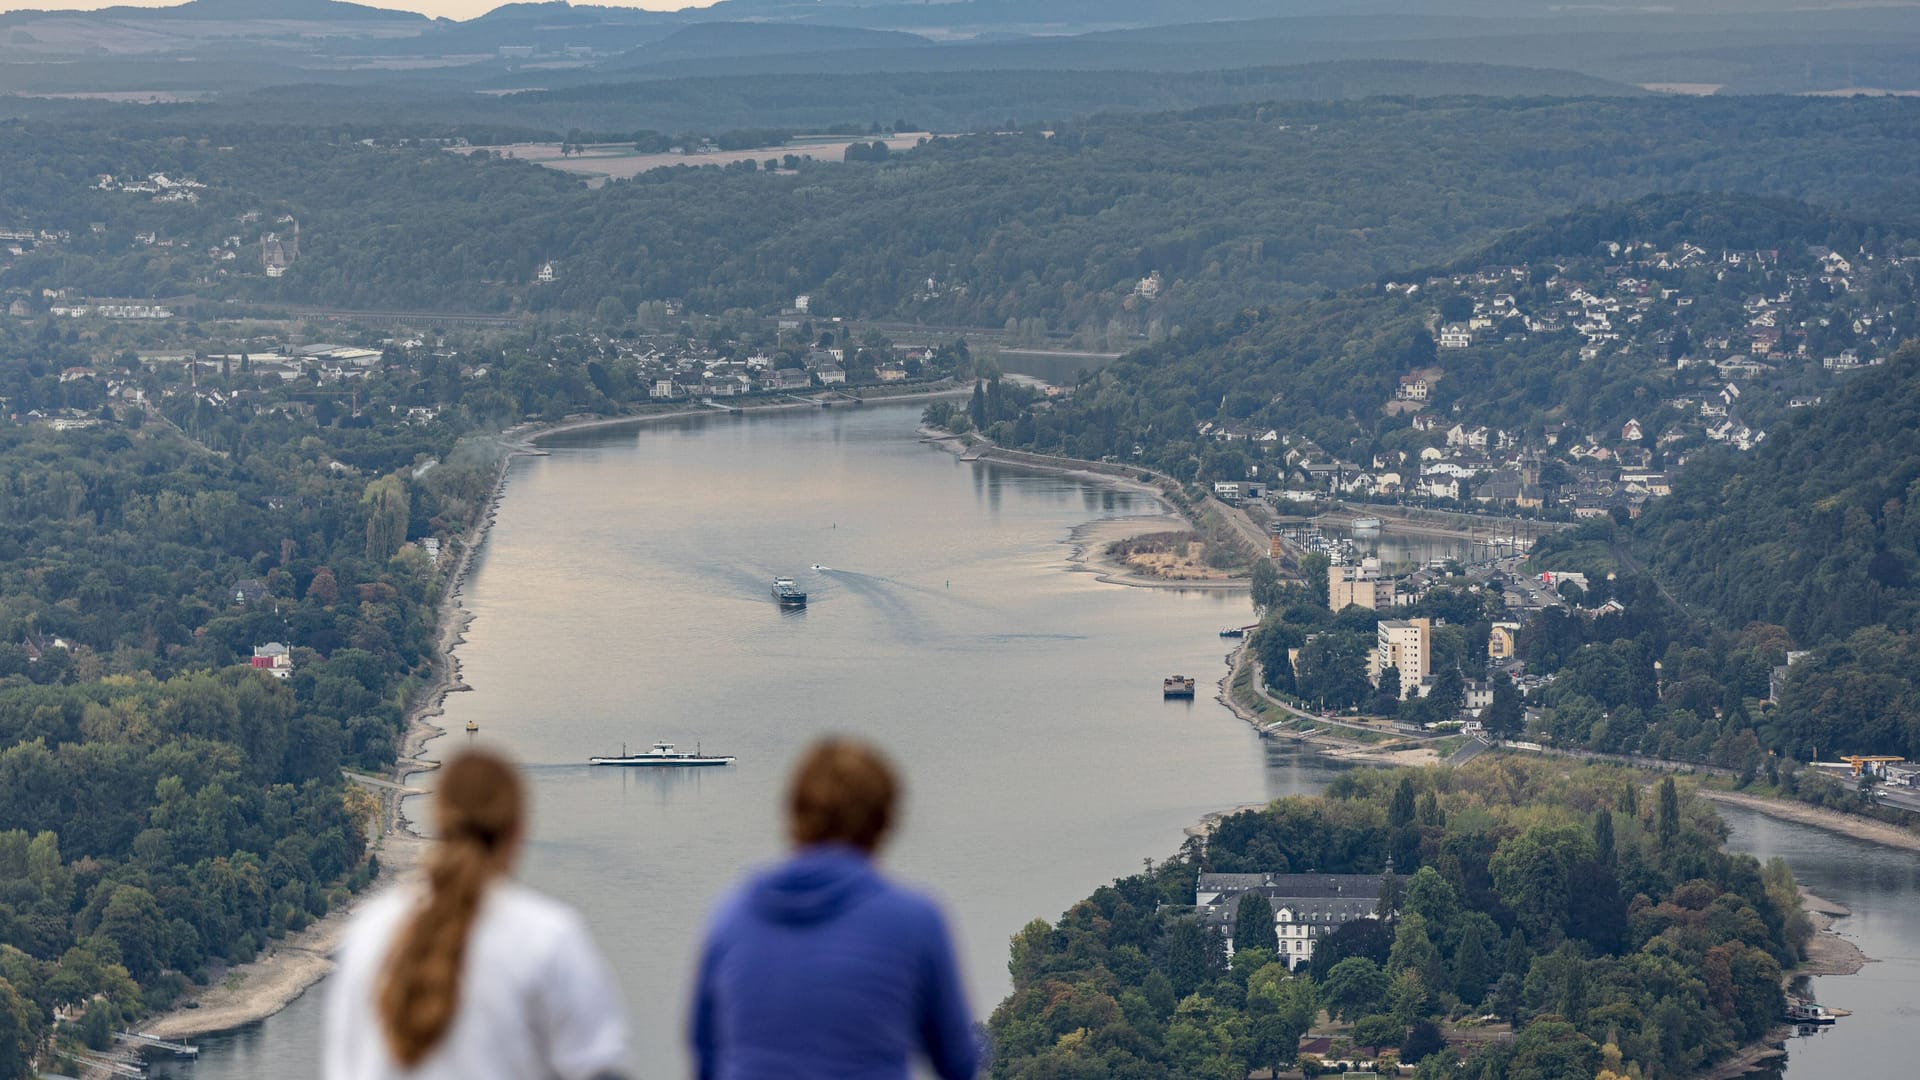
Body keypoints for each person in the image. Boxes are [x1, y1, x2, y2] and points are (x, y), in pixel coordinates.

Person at [324, 751, 630, 1080]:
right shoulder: (549, 939)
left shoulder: (371, 931)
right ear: (516, 831)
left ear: (438, 820)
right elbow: (601, 1068)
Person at [691, 738, 978, 1080]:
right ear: (884, 821)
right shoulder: (915, 920)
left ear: (795, 811)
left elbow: (706, 1055)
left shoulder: (731, 916)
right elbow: (957, 1062)